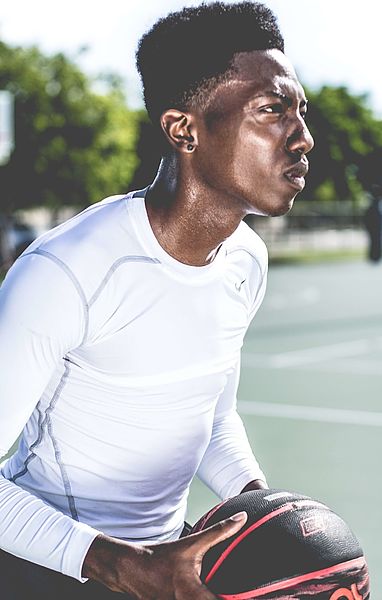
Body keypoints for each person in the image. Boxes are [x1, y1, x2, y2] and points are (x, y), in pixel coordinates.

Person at [0, 2, 314, 598]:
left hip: (167, 565)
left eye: (301, 110)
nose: (303, 137)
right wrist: (121, 565)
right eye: (272, 110)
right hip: (46, 568)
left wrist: (264, 511)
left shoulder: (246, 260)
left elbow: (212, 417)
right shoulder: (67, 272)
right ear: (183, 129)